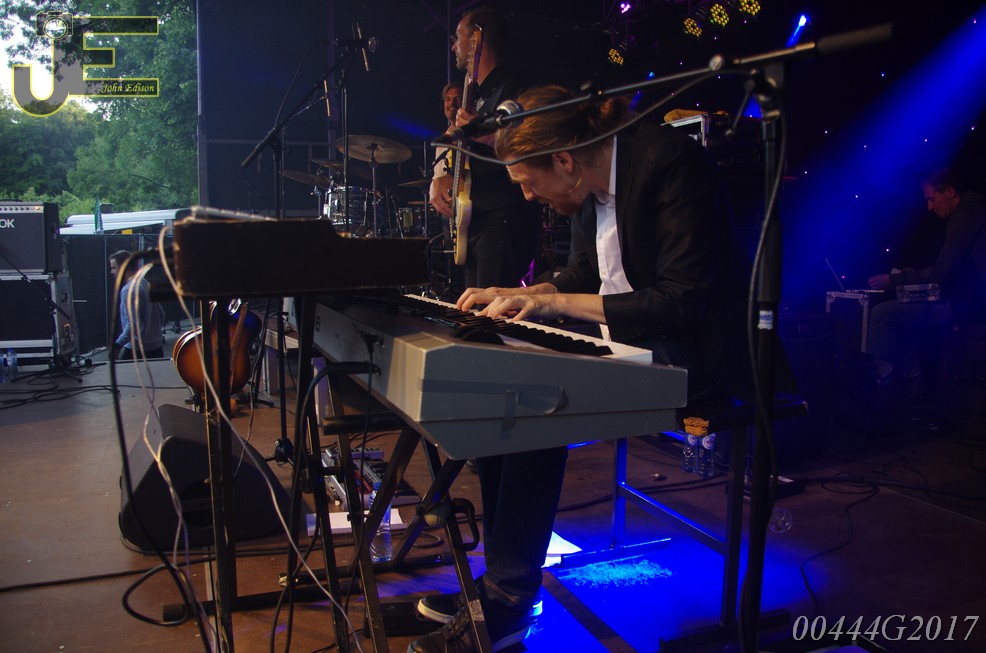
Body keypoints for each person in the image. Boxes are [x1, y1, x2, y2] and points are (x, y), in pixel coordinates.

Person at [408, 85, 763, 653]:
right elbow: (581, 275)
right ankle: (502, 583)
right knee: (504, 372)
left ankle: (507, 600)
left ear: (565, 161)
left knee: (535, 391)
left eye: (528, 182)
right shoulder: (587, 186)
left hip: (699, 352)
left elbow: (682, 303)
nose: (528, 196)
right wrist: (524, 293)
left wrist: (555, 306)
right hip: (629, 336)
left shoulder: (672, 162)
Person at [428, 6, 541, 292]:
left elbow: (530, 146)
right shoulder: (476, 96)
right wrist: (441, 178)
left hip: (503, 218)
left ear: (476, 39)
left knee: (494, 311)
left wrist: (487, 135)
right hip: (475, 220)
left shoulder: (512, 90)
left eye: (458, 37)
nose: (453, 46)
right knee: (474, 309)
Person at [866, 168, 986, 388]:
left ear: (949, 192)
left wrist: (895, 279)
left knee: (881, 314)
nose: (930, 207)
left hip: (967, 307)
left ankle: (877, 387)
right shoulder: (975, 208)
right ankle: (912, 377)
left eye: (932, 199)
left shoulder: (966, 215)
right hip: (969, 301)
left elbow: (942, 273)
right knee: (906, 308)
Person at [109, 250, 165, 360]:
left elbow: (133, 325)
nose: (112, 272)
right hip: (157, 349)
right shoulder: (146, 284)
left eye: (114, 268)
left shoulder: (128, 290)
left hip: (137, 351)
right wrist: (152, 334)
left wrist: (117, 345)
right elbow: (162, 314)